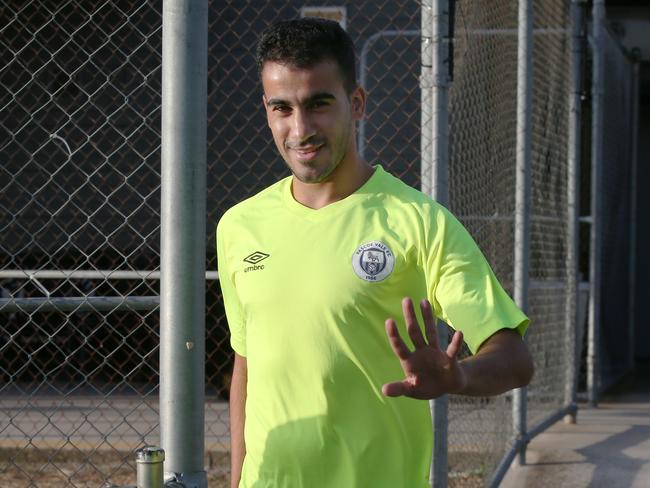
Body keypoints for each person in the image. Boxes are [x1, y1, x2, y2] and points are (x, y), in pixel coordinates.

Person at [216, 18, 534, 488]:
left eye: (318, 104)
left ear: (357, 103)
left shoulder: (418, 221)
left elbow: (514, 358)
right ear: (266, 110)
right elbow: (247, 366)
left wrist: (458, 378)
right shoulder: (239, 226)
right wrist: (237, 478)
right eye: (282, 108)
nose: (299, 129)